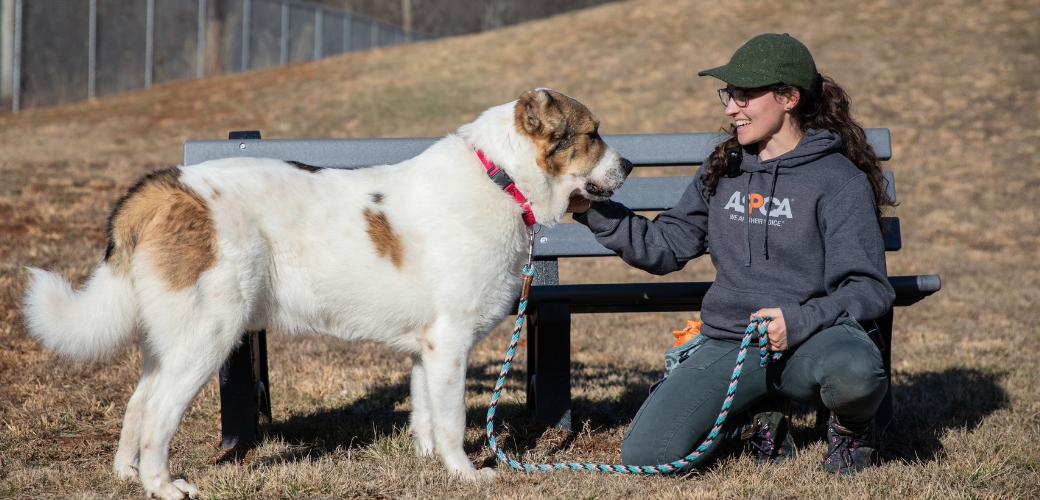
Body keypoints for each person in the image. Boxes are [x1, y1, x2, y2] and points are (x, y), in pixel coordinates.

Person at [569, 33, 895, 474]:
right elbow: (665, 248)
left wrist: (797, 321)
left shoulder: (838, 181)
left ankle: (853, 434)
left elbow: (868, 288)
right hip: (731, 341)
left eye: (744, 95)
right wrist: (593, 210)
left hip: (811, 338)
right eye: (729, 94)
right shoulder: (725, 167)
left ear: (788, 98)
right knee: (647, 456)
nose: (730, 108)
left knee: (856, 372)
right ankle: (753, 417)